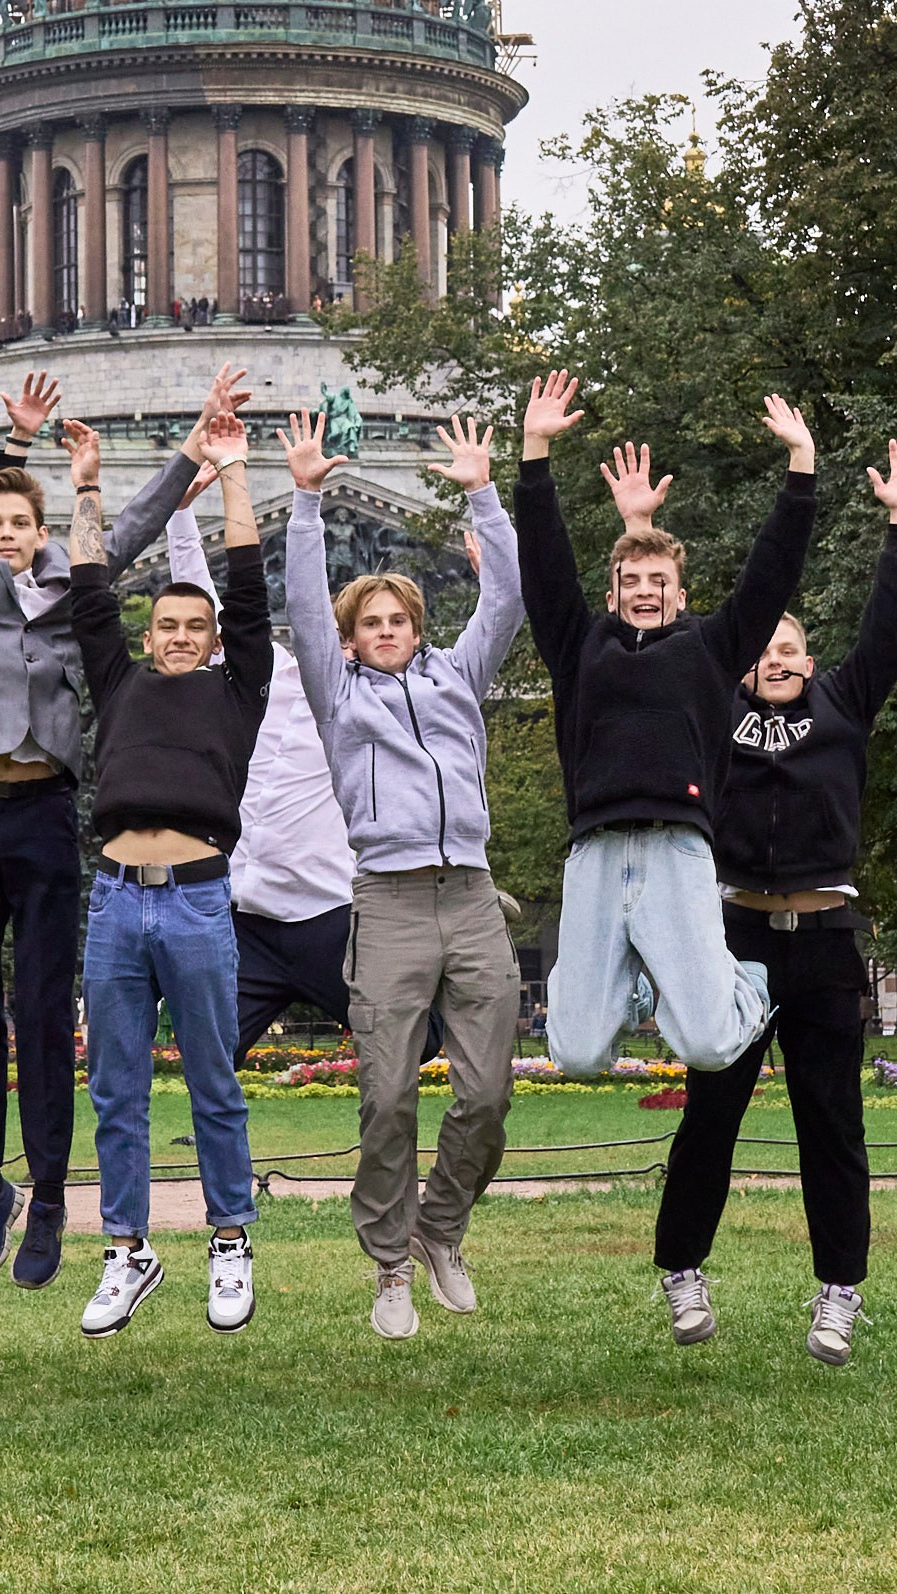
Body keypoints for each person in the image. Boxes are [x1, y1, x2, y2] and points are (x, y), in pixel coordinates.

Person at [0, 350, 254, 1291]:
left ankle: (47, 1192)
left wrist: (194, 445)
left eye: (22, 525)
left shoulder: (72, 590)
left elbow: (124, 527)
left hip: (46, 812)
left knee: (43, 1014)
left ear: (44, 533)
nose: (7, 537)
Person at [652, 438, 897, 1363]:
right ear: (743, 664)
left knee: (832, 1121)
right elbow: (655, 647)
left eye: (791, 647)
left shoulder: (844, 704)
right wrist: (636, 532)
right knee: (713, 1114)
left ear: (811, 660)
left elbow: (888, 634)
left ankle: (839, 1292)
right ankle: (682, 1269)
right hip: (732, 937)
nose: (776, 658)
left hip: (822, 941)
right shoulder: (714, 711)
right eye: (764, 648)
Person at [285, 407, 525, 1340]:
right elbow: (304, 609)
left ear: (420, 628)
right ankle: (388, 1263)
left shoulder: (458, 678)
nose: (386, 630)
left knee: (487, 1092)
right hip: (385, 901)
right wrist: (304, 502)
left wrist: (483, 491)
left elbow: (506, 600)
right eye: (370, 623)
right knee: (386, 1092)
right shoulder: (337, 690)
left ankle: (441, 1230)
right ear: (350, 641)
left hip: (470, 894)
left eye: (398, 620)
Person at [513, 373, 816, 1078]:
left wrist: (800, 469)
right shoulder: (579, 646)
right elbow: (545, 566)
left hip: (677, 849)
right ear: (613, 592)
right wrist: (534, 452)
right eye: (632, 583)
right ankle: (637, 976)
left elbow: (772, 575)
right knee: (577, 1055)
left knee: (710, 1048)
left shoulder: (711, 648)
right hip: (595, 850)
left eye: (658, 584)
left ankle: (742, 980)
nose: (644, 592)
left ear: (681, 595)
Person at [63, 412, 273, 1337]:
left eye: (195, 626)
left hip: (195, 900)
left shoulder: (239, 686)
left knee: (212, 1081)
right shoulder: (118, 681)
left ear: (213, 639)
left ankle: (229, 1239)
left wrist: (233, 474)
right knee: (114, 1086)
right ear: (149, 637)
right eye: (168, 625)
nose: (180, 636)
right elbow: (87, 589)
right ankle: (126, 1249)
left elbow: (248, 586)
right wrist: (85, 484)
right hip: (112, 901)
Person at [157, 467, 445, 1070]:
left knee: (417, 1043)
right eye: (340, 636)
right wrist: (182, 518)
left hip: (328, 919)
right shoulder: (268, 679)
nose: (341, 651)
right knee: (206, 1056)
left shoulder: (369, 709)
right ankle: (220, 1163)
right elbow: (210, 610)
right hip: (246, 917)